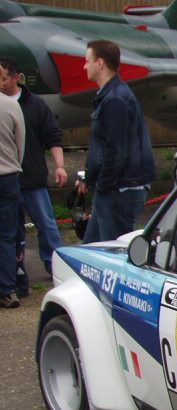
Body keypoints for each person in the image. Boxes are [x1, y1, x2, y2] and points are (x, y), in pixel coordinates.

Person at [76, 39, 155, 244]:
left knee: (112, 252)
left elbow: (115, 151)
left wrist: (102, 186)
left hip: (119, 190)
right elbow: (104, 146)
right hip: (115, 188)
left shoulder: (114, 99)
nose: (84, 66)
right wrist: (89, 178)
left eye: (87, 61)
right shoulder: (112, 95)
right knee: (92, 248)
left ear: (100, 63)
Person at [0, 57, 66, 279]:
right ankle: (15, 273)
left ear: (15, 78)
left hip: (32, 177)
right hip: (7, 178)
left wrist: (60, 166)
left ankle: (55, 264)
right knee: (10, 230)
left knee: (46, 224)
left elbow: (53, 136)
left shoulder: (35, 105)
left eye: (4, 77)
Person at [0, 87, 24, 309]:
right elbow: (20, 144)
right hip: (8, 176)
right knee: (7, 237)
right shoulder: (11, 105)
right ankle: (7, 290)